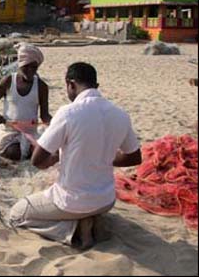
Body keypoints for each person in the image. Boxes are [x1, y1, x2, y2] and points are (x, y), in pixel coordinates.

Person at [9, 62, 142, 249]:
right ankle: (89, 221)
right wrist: (100, 157)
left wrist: (56, 156)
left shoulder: (68, 112)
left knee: (17, 213)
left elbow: (37, 161)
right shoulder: (120, 114)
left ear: (70, 84)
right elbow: (134, 157)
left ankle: (72, 229)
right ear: (96, 86)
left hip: (72, 203)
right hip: (106, 200)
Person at [0, 43, 52, 161]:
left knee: (40, 155)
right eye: (26, 67)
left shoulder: (41, 86)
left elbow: (44, 115)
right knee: (13, 153)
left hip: (31, 131)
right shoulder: (8, 81)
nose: (30, 70)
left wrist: (54, 124)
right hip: (9, 130)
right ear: (20, 64)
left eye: (34, 67)